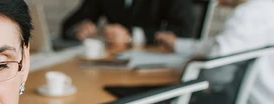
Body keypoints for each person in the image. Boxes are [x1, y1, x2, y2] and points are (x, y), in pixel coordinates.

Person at [61, 0, 194, 46]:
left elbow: (184, 31)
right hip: (111, 63)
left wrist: (130, 36)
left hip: (153, 66)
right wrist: (78, 29)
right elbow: (69, 24)